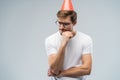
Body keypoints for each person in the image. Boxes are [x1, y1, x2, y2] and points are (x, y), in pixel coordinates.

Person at [45, 0, 93, 80]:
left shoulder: (86, 39)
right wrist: (63, 43)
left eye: (65, 24)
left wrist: (62, 73)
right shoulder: (50, 40)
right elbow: (55, 70)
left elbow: (87, 69)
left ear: (74, 23)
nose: (61, 27)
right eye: (59, 23)